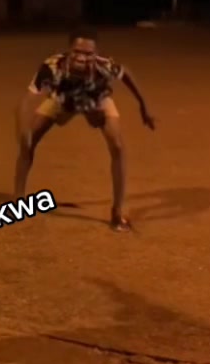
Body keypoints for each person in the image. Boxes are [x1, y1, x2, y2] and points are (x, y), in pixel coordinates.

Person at [14, 28, 156, 231]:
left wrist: (143, 106)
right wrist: (23, 131)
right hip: (62, 100)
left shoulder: (104, 66)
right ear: (69, 51)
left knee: (117, 146)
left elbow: (126, 74)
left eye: (88, 54)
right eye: (77, 52)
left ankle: (117, 213)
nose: (82, 58)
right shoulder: (53, 66)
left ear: (95, 54)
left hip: (96, 101)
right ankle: (18, 202)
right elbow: (25, 101)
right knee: (29, 142)